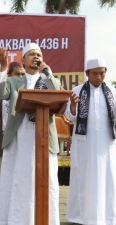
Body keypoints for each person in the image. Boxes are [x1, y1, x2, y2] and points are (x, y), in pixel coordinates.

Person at [0, 43, 62, 225]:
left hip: (44, 139)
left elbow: (58, 92)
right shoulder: (14, 81)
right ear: (23, 60)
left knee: (46, 181)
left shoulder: (48, 80)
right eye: (31, 54)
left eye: (38, 54)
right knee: (19, 181)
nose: (36, 57)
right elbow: (1, 94)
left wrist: (47, 72)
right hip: (19, 139)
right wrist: (2, 68)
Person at [65, 58, 116, 225]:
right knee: (84, 178)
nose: (99, 77)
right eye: (95, 74)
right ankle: (80, 216)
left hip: (106, 144)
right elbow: (70, 117)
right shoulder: (77, 91)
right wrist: (72, 106)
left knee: (107, 178)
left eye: (102, 73)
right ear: (87, 74)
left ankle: (107, 216)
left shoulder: (113, 92)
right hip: (84, 143)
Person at [0, 62, 25, 206]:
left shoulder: (28, 91)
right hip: (4, 141)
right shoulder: (1, 93)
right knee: (2, 177)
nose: (20, 77)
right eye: (17, 74)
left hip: (23, 140)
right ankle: (2, 209)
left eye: (23, 74)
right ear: (8, 75)